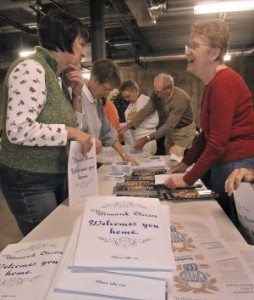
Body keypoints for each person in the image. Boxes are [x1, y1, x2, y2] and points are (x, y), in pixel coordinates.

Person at [0, 10, 102, 236]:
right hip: (29, 178)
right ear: (64, 39)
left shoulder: (53, 76)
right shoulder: (31, 68)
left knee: (61, 236)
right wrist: (72, 132)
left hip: (53, 174)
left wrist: (75, 96)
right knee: (48, 242)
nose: (83, 53)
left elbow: (70, 125)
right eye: (81, 44)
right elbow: (18, 130)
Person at [165, 19, 254, 226]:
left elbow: (217, 143)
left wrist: (186, 180)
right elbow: (205, 136)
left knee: (232, 230)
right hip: (228, 163)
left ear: (214, 53)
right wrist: (184, 164)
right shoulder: (213, 83)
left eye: (194, 46)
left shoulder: (223, 82)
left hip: (236, 165)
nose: (188, 51)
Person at [76, 59, 138, 165]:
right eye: (106, 89)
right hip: (76, 162)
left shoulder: (98, 102)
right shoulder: (77, 97)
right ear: (95, 80)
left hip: (88, 163)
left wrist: (124, 155)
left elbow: (108, 131)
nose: (107, 94)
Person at [118, 73, 196, 155]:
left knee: (179, 157)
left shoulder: (180, 98)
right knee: (169, 156)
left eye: (158, 92)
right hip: (170, 130)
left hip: (183, 130)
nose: (156, 94)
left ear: (169, 89)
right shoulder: (156, 94)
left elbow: (169, 125)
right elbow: (146, 111)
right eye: (155, 91)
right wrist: (129, 125)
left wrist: (146, 139)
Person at [119, 80, 159, 154]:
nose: (127, 100)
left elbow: (154, 122)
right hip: (135, 141)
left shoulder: (147, 101)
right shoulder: (129, 107)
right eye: (125, 98)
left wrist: (136, 116)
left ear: (135, 90)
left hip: (147, 141)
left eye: (128, 96)